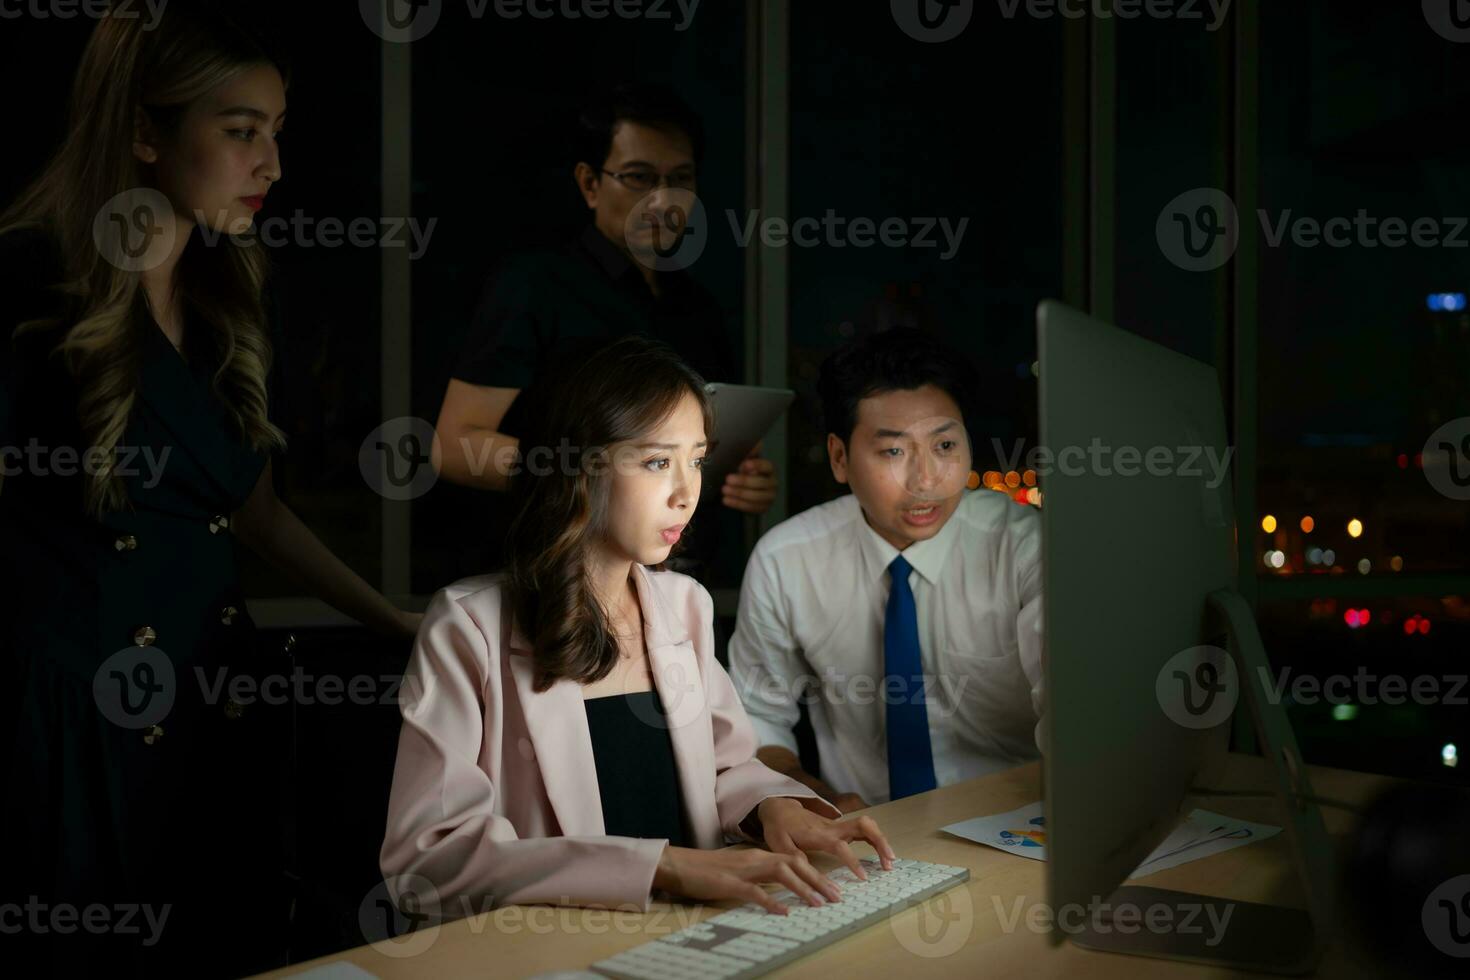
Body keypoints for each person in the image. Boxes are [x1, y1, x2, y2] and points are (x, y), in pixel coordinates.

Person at [0, 5, 420, 975]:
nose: (271, 163)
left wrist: (390, 617)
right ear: (146, 133)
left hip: (214, 702)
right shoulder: (28, 282)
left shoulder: (227, 292)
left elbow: (257, 508)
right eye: (240, 132)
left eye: (277, 132)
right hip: (74, 724)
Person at [381, 336, 895, 918]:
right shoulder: (470, 625)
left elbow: (726, 767)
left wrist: (770, 806)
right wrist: (663, 865)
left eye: (697, 459)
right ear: (579, 466)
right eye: (657, 462)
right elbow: (426, 859)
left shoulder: (686, 605)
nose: (687, 492)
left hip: (695, 935)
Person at [430, 81, 776, 581]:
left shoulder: (698, 307)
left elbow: (709, 448)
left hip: (680, 584)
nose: (663, 200)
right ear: (590, 183)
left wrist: (741, 480)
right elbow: (454, 445)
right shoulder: (534, 286)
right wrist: (587, 473)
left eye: (680, 178)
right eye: (639, 177)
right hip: (554, 580)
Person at [728, 328, 1045, 812]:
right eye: (894, 451)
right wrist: (813, 798)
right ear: (840, 458)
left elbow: (1076, 714)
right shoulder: (787, 561)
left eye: (944, 447)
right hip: (870, 837)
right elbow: (758, 720)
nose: (925, 480)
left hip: (1018, 823)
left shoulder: (1023, 548)